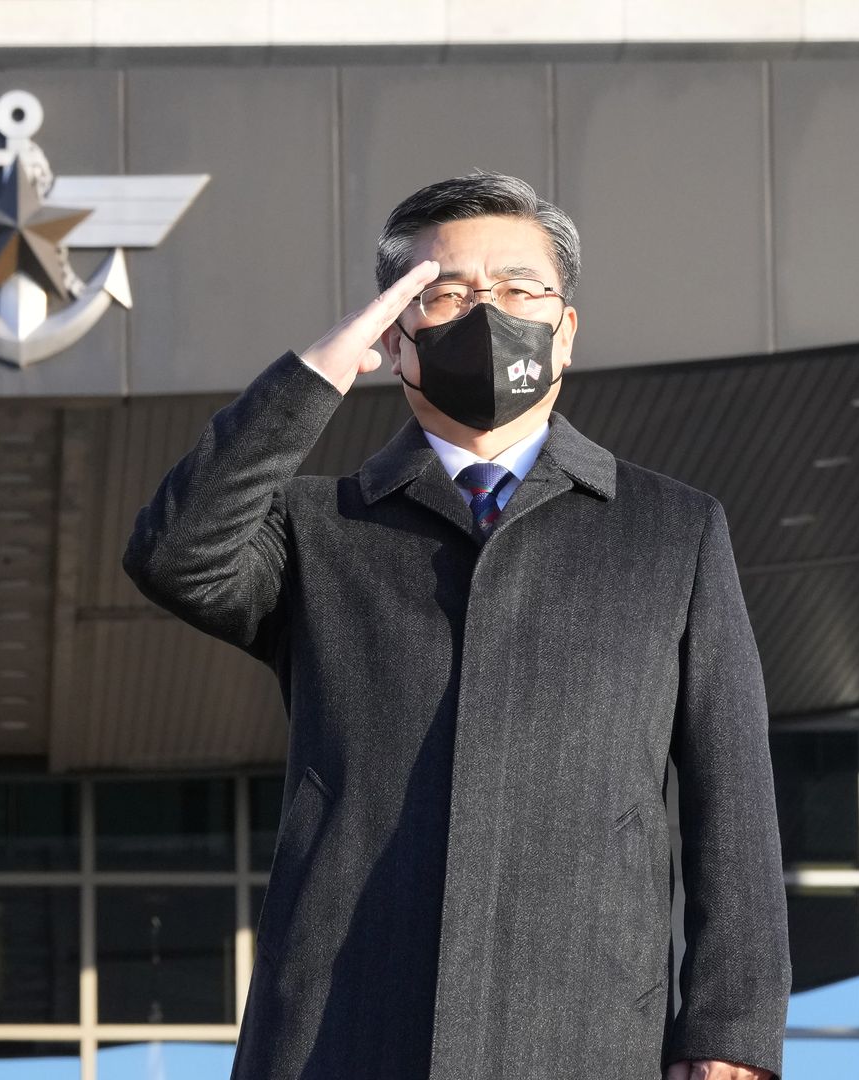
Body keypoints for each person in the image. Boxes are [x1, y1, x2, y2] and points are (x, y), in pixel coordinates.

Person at [122, 173, 789, 1080]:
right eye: (446, 294)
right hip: (340, 1027)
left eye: (521, 290)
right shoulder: (320, 529)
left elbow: (732, 796)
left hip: (584, 1029)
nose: (489, 315)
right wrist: (314, 377)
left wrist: (728, 1035)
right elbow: (175, 552)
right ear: (395, 337)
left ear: (567, 330)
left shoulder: (672, 530)